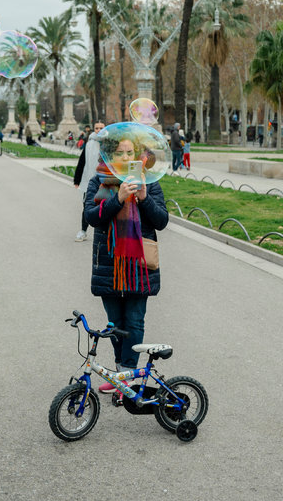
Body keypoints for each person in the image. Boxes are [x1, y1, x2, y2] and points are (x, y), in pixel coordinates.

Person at [84, 133, 169, 393]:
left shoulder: (149, 183)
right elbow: (91, 217)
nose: (124, 157)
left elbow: (161, 221)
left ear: (136, 156)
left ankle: (126, 379)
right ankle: (122, 373)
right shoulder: (98, 181)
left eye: (129, 153)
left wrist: (144, 198)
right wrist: (118, 198)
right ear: (110, 155)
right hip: (109, 266)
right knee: (115, 325)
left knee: (134, 322)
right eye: (119, 153)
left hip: (138, 267)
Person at [73, 121, 105, 242]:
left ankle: (104, 232)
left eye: (101, 128)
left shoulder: (109, 143)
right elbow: (82, 162)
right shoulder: (89, 144)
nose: (98, 130)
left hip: (106, 181)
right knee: (87, 206)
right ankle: (83, 231)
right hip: (89, 181)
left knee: (105, 207)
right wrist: (77, 179)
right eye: (96, 128)